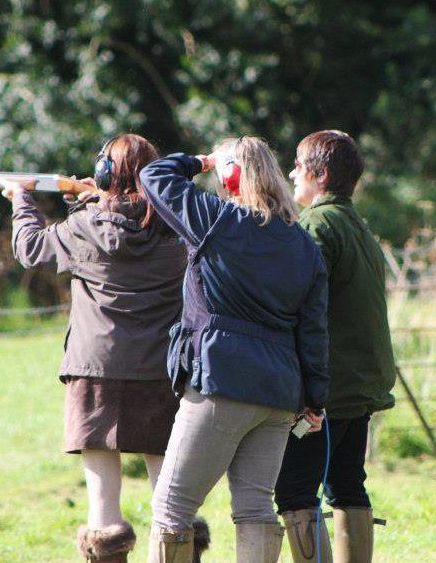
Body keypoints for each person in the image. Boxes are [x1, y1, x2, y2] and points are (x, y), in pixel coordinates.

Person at [0, 134, 209, 563]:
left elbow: (30, 247)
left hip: (95, 374)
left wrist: (22, 200)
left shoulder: (86, 227)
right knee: (171, 501)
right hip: (162, 373)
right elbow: (141, 219)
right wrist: (95, 200)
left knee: (102, 507)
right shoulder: (180, 230)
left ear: (104, 174)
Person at [139, 137, 330, 563]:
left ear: (230, 176)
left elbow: (153, 175)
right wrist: (315, 399)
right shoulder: (304, 246)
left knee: (171, 508)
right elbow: (314, 334)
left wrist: (200, 160)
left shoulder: (217, 220)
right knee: (256, 509)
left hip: (220, 382)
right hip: (280, 396)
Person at [275, 130, 396, 563]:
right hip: (359, 384)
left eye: (298, 164)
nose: (291, 172)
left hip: (331, 389)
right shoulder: (356, 224)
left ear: (320, 174)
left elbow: (299, 306)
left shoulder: (316, 224)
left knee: (293, 490)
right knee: (347, 484)